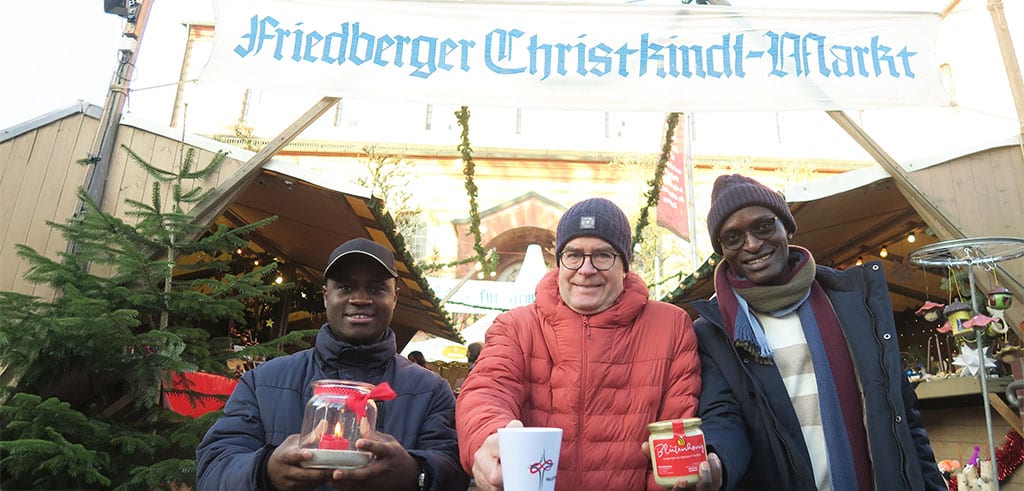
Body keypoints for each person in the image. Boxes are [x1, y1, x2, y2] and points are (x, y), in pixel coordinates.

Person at [692, 174, 946, 490]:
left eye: (763, 227)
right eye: (733, 238)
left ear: (787, 226)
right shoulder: (713, 334)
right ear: (723, 250)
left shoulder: (853, 303)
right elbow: (724, 417)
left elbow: (903, 416)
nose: (752, 244)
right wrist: (718, 460)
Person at [456, 197, 706, 490]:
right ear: (559, 262)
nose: (586, 269)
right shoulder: (516, 326)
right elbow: (486, 390)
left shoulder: (671, 326)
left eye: (602, 255)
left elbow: (674, 430)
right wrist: (488, 437)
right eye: (573, 255)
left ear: (625, 267)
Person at [196, 237, 468, 491]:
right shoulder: (262, 382)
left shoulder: (430, 391)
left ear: (394, 298)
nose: (360, 299)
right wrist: (264, 470)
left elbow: (456, 469)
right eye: (346, 287)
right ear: (326, 296)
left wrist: (416, 472)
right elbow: (213, 468)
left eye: (376, 288)